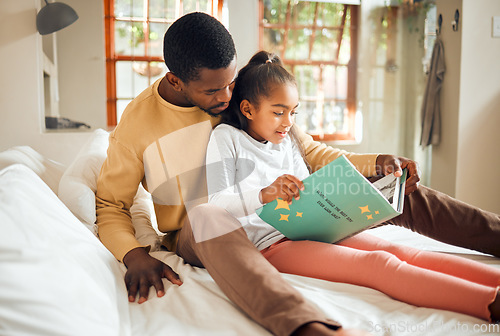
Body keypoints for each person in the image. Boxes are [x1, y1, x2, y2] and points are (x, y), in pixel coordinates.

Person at [95, 12, 500, 336]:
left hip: (286, 215)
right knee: (206, 213)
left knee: (394, 183)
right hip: (204, 230)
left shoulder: (242, 93)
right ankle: (307, 327)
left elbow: (308, 152)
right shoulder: (137, 128)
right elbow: (111, 205)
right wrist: (133, 255)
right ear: (175, 81)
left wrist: (378, 163)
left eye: (230, 84)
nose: (225, 97)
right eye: (212, 91)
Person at [205, 50, 500, 323]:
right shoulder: (226, 137)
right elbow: (216, 203)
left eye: (293, 112)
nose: (288, 122)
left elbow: (304, 188)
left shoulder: (288, 138)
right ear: (247, 109)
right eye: (279, 112)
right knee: (379, 265)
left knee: (395, 250)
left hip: (312, 227)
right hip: (271, 244)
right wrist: (267, 193)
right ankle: (488, 303)